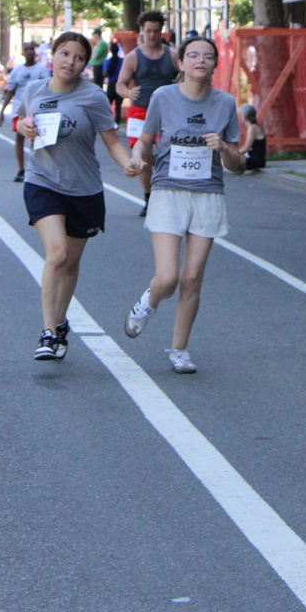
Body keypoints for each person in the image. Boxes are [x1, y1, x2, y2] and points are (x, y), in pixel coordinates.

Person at [123, 36, 243, 374]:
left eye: (207, 56)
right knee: (168, 277)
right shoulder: (163, 97)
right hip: (168, 191)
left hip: (208, 194)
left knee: (192, 278)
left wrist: (224, 148)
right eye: (193, 55)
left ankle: (179, 349)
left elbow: (238, 163)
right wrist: (136, 157)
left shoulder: (225, 103)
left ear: (215, 63)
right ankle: (149, 301)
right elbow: (145, 140)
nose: (200, 61)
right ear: (181, 63)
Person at [15, 31, 137, 362]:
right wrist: (23, 127)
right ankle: (48, 332)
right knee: (56, 253)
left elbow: (111, 141)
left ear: (85, 64)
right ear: (52, 55)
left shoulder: (93, 96)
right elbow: (24, 121)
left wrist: (128, 164)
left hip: (84, 188)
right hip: (42, 181)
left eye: (79, 57)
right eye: (65, 53)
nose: (70, 61)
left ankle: (59, 322)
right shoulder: (34, 89)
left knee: (70, 262)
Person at [115, 10, 180, 217]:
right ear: (142, 31)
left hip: (167, 111)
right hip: (140, 110)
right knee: (143, 155)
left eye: (156, 31)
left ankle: (168, 194)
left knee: (169, 153)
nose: (152, 35)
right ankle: (148, 197)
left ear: (161, 31)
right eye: (148, 31)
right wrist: (128, 92)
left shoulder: (172, 54)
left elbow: (185, 77)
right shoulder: (133, 57)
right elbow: (119, 84)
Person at [0, 41, 45, 182]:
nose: (29, 51)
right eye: (26, 49)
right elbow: (10, 91)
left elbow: (47, 89)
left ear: (35, 51)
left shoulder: (41, 69)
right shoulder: (17, 71)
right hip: (20, 109)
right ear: (22, 52)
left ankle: (35, 169)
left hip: (36, 110)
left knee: (35, 139)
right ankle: (21, 169)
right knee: (19, 138)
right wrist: (2, 111)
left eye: (31, 49)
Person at [238, 103, 266, 171]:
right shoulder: (254, 127)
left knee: (232, 160)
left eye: (240, 115)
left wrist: (233, 154)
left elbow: (246, 147)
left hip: (256, 160)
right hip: (254, 157)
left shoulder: (252, 128)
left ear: (244, 116)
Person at [103, 39, 124, 122]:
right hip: (120, 84)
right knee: (118, 106)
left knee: (108, 105)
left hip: (111, 84)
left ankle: (108, 121)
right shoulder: (122, 61)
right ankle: (117, 122)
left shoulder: (107, 61)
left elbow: (104, 74)